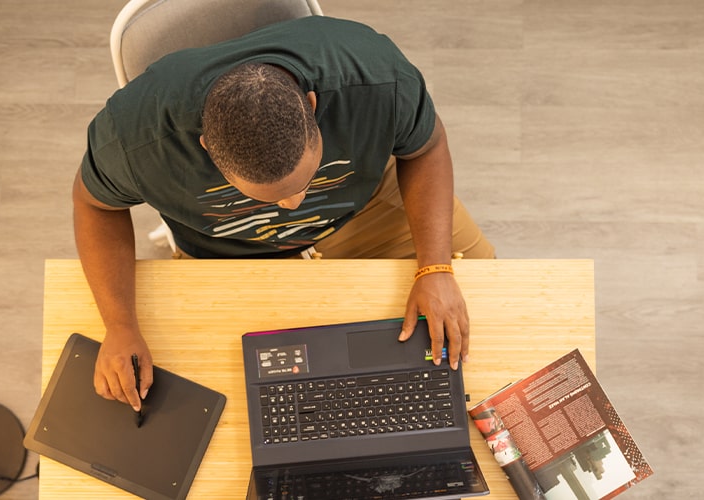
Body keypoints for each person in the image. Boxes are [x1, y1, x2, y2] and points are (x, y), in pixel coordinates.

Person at [72, 16, 495, 412]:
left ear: (311, 105)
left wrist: (435, 267)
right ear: (206, 148)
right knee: (220, 387)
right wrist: (120, 325)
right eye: (271, 197)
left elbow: (426, 147)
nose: (295, 206)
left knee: (490, 304)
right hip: (228, 252)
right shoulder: (135, 141)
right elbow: (94, 205)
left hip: (368, 211)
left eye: (305, 181)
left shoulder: (376, 77)